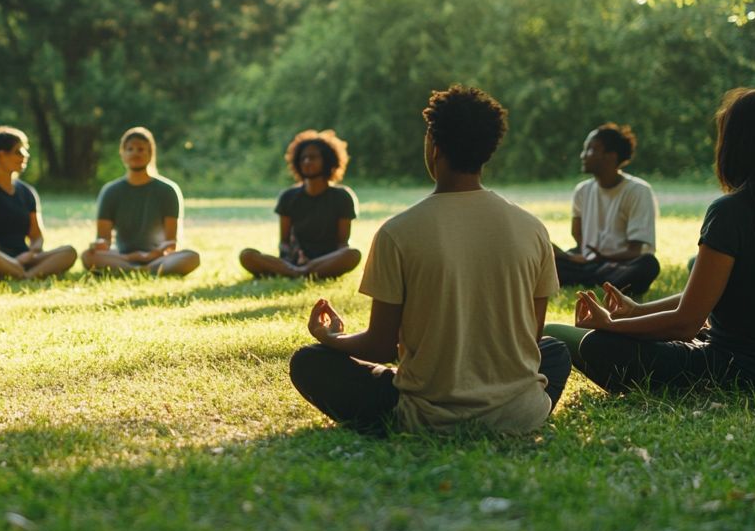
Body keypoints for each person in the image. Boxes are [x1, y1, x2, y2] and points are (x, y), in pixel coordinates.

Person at [289, 85, 570, 435]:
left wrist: (329, 337)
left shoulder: (398, 232)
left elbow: (379, 346)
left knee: (308, 362)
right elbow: (530, 336)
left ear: (433, 146)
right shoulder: (532, 228)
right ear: (487, 151)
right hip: (519, 412)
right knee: (555, 350)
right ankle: (514, 406)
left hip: (428, 415)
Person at [572, 89, 755, 397]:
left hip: (737, 369)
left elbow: (687, 322)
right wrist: (637, 311)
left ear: (736, 145)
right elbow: (706, 296)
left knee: (598, 346)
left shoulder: (730, 212)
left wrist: (611, 325)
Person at [553, 123, 660, 296]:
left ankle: (588, 277)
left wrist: (603, 257)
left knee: (648, 265)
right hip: (588, 262)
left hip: (618, 264)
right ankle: (595, 278)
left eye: (590, 150)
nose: (583, 155)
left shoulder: (638, 191)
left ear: (610, 156)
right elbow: (577, 234)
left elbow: (635, 250)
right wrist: (575, 257)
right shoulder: (582, 190)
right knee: (546, 260)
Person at [239, 129, 362, 279]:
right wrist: (294, 256)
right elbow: (283, 242)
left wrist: (316, 262)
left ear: (328, 160)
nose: (307, 162)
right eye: (303, 158)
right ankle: (300, 273)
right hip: (294, 260)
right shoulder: (288, 197)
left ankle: (299, 272)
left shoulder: (342, 197)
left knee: (353, 254)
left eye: (313, 157)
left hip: (325, 262)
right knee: (247, 255)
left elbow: (343, 244)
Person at [81, 126, 200, 276]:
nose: (135, 153)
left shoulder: (168, 190)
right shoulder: (110, 191)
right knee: (87, 256)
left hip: (157, 257)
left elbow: (171, 242)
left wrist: (151, 256)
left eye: (141, 149)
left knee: (191, 257)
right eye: (130, 149)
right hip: (122, 256)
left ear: (151, 154)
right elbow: (103, 239)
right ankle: (140, 271)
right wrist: (100, 246)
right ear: (122, 154)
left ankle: (139, 270)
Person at [0, 126, 77, 280]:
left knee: (69, 252)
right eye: (18, 151)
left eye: (25, 151)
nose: (25, 156)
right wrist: (12, 260)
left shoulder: (27, 192)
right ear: (1, 156)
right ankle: (25, 272)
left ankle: (25, 275)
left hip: (25, 259)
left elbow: (37, 236)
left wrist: (31, 253)